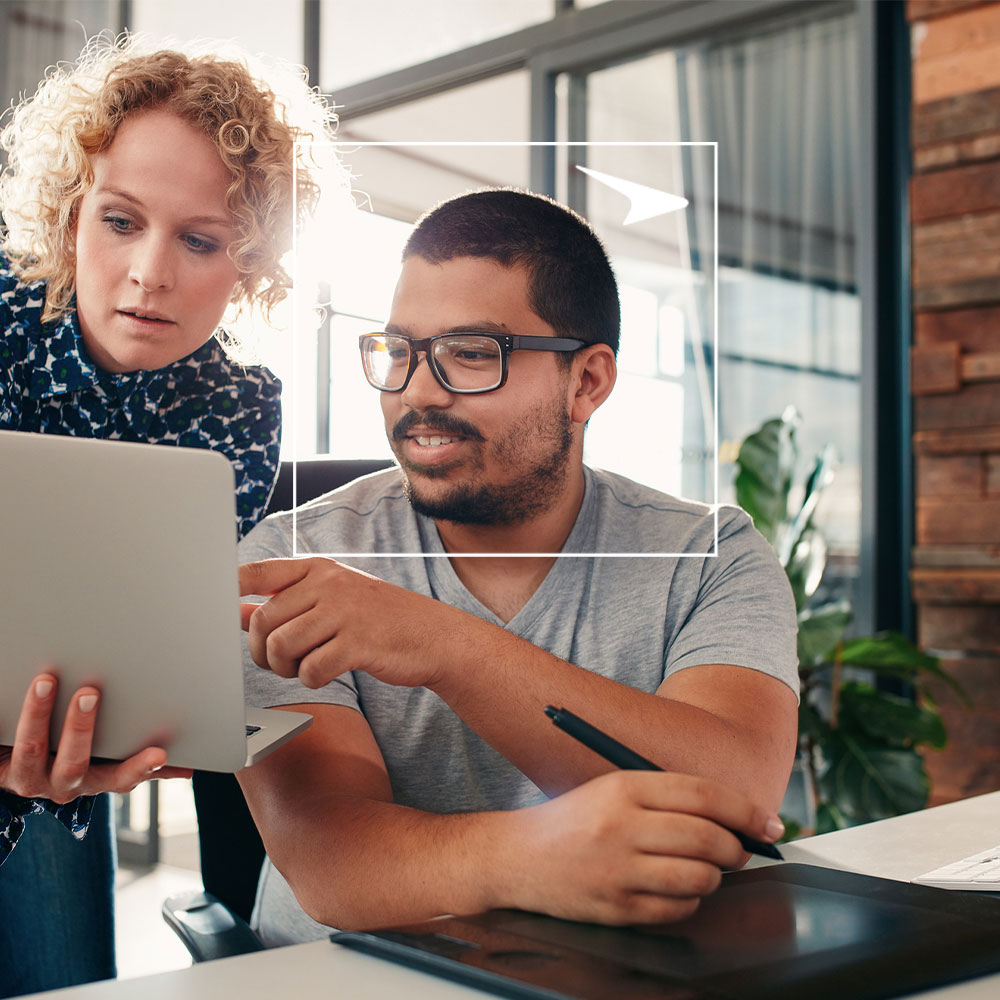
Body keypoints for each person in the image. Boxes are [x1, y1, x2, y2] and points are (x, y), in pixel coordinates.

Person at [234, 188, 800, 946]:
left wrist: (446, 646)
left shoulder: (707, 555)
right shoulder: (289, 558)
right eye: (399, 352)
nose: (418, 392)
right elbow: (329, 861)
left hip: (615, 977)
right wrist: (531, 858)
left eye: (472, 354)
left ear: (587, 382)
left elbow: (734, 799)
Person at [0, 34, 339, 994]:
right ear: (69, 215)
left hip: (56, 764)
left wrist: (172, 713)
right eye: (120, 222)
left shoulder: (238, 405)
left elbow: (149, 638)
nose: (152, 273)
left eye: (201, 240)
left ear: (253, 262)